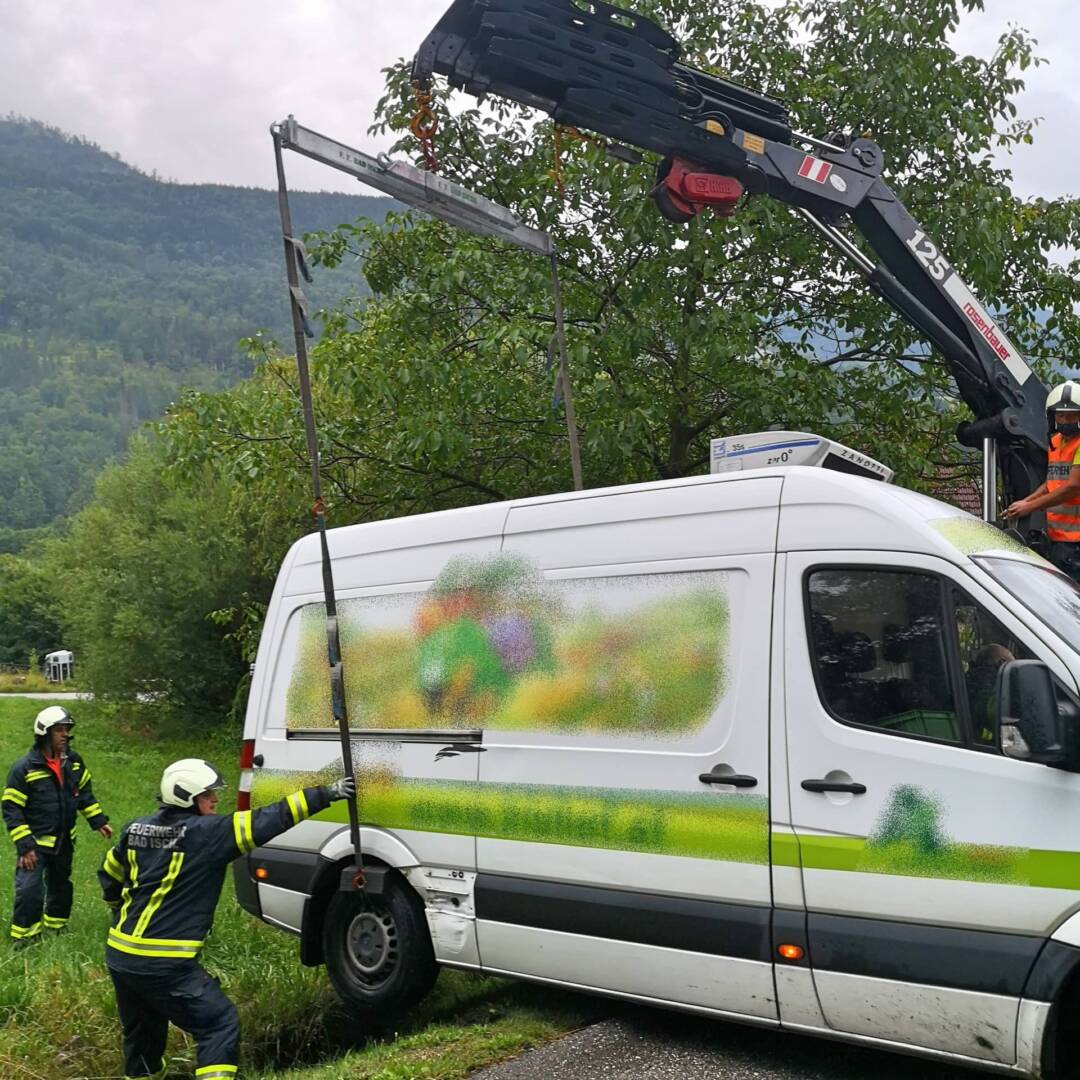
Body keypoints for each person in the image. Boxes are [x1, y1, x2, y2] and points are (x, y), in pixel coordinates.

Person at [99, 758, 355, 1080]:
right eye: (208, 795)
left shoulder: (135, 830)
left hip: (121, 958)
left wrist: (115, 907)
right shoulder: (208, 834)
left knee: (143, 1043)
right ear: (186, 797)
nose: (215, 801)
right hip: (165, 962)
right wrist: (327, 793)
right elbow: (270, 819)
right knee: (218, 1024)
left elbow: (109, 872)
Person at [2, 705, 111, 947]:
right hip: (35, 846)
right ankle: (24, 938)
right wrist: (25, 845)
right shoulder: (25, 769)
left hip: (64, 842)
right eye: (59, 730)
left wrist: (98, 821)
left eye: (67, 730)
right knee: (30, 891)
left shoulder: (72, 762)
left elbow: (84, 793)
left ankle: (56, 927)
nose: (65, 735)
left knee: (61, 886)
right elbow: (11, 808)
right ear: (44, 733)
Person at [1003, 380, 1080, 581]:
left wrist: (1030, 507)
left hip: (1076, 543)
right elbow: (1052, 482)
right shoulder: (1055, 442)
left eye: (1071, 414)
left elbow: (1072, 487)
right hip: (1058, 538)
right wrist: (1025, 502)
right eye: (1061, 415)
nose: (1065, 419)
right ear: (1052, 416)